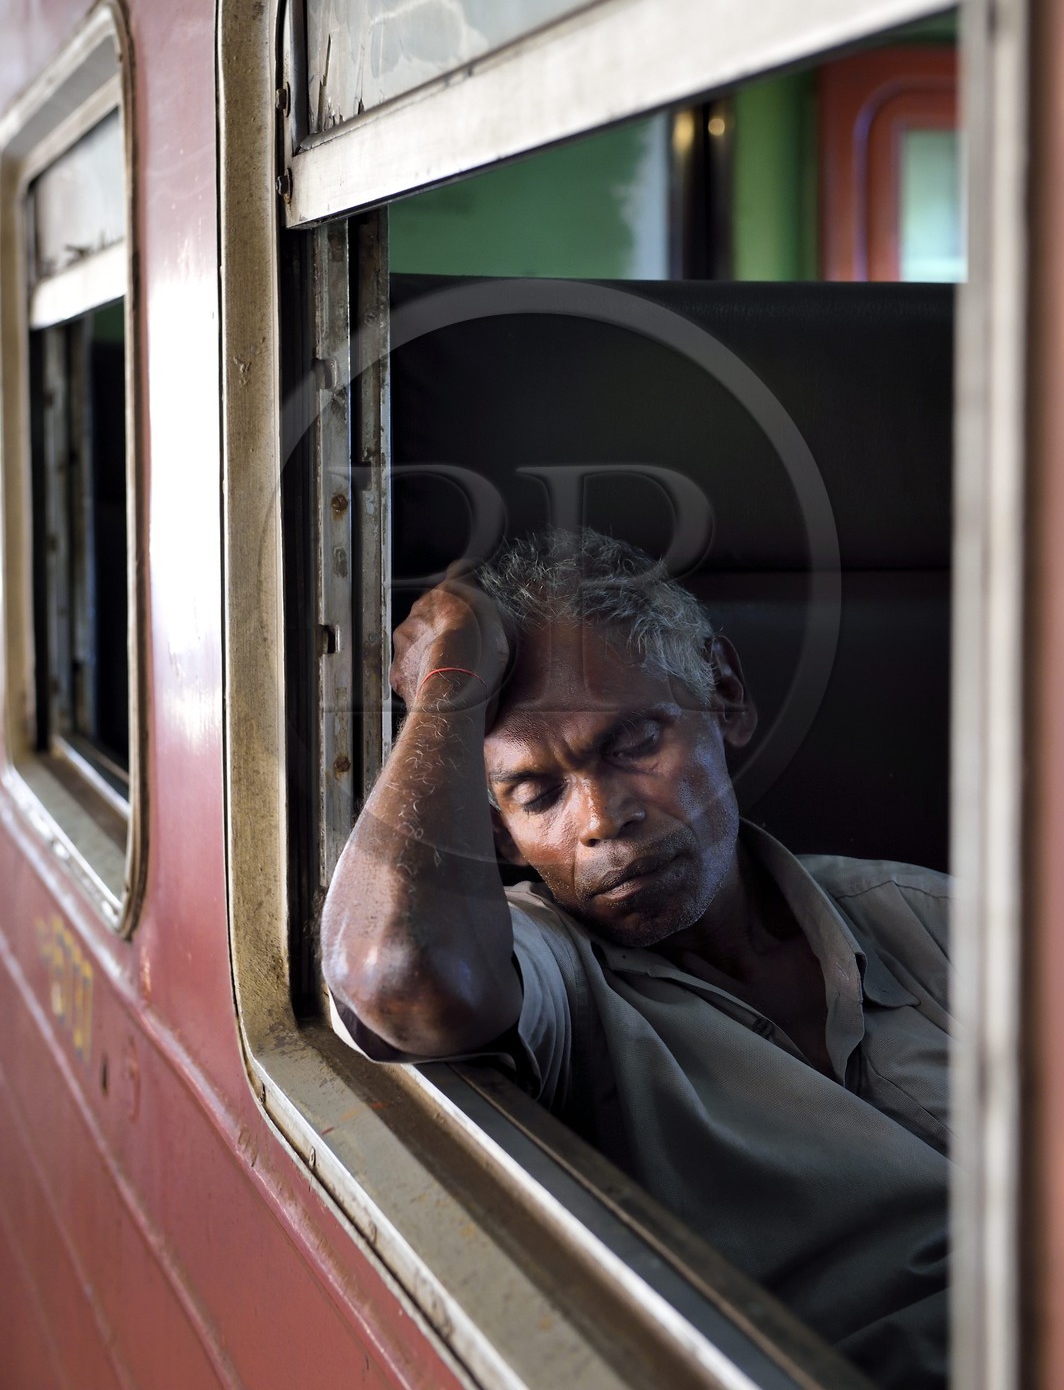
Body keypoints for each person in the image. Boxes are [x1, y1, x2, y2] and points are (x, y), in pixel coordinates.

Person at [322, 530, 949, 1390]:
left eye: (636, 743)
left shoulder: (932, 918)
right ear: (497, 830)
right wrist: (447, 688)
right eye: (536, 793)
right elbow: (397, 975)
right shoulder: (556, 981)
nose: (601, 817)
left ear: (724, 696)